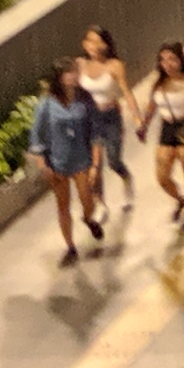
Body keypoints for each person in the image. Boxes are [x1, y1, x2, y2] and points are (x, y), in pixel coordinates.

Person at [31, 65, 100, 264]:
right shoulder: (47, 104)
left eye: (74, 73)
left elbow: (94, 131)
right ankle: (70, 246)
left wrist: (95, 163)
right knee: (63, 205)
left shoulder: (84, 100)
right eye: (68, 74)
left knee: (87, 198)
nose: (73, 77)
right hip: (58, 161)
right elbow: (37, 135)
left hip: (81, 158)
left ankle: (88, 218)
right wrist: (43, 164)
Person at [142, 42, 184, 231]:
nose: (167, 64)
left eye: (172, 59)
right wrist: (144, 126)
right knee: (162, 175)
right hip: (168, 128)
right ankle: (182, 200)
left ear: (180, 60)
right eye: (163, 60)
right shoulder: (158, 84)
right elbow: (151, 106)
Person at [71, 29, 130, 226]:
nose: (94, 46)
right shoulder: (80, 65)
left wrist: (137, 118)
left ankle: (126, 179)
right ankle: (101, 203)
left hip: (110, 116)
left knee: (113, 160)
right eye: (90, 41)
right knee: (95, 164)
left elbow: (125, 92)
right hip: (90, 119)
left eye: (98, 42)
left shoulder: (114, 65)